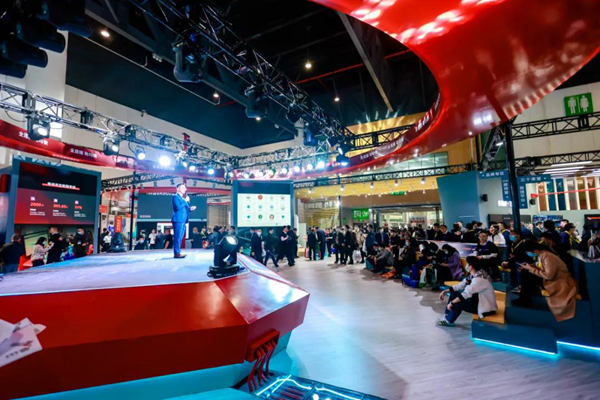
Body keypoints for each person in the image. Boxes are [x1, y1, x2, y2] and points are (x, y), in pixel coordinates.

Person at [514, 240, 577, 322]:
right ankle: (524, 298)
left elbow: (549, 276)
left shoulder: (548, 257)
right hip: (552, 278)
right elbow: (542, 268)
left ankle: (525, 299)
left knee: (527, 274)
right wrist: (530, 267)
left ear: (534, 250)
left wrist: (531, 269)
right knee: (525, 272)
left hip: (557, 281)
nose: (528, 254)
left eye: (527, 252)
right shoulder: (542, 255)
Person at [436, 256, 498, 327]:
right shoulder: (475, 274)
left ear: (471, 267)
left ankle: (448, 321)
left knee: (457, 303)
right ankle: (446, 317)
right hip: (478, 301)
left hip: (486, 309)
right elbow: (461, 285)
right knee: (454, 294)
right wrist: (445, 291)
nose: (466, 266)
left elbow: (466, 294)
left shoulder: (479, 279)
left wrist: (452, 303)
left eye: (467, 264)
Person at [171, 183, 196, 258]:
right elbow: (177, 207)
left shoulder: (182, 198)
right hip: (178, 219)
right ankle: (176, 253)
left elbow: (184, 209)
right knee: (177, 237)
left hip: (183, 220)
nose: (185, 189)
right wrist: (185, 200)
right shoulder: (175, 196)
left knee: (180, 237)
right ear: (178, 189)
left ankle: (178, 251)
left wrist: (190, 209)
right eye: (183, 188)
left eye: (185, 188)